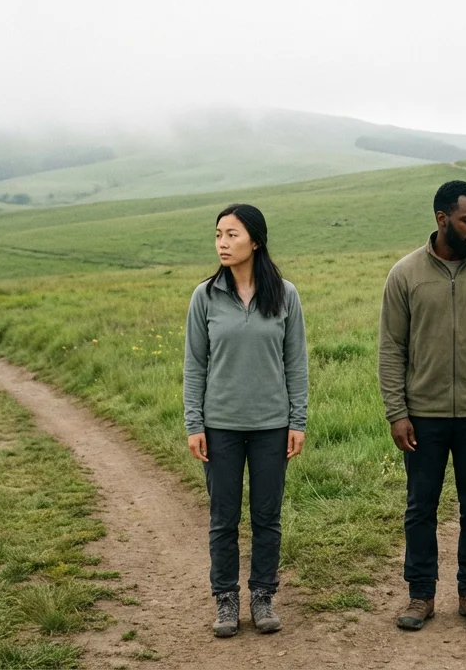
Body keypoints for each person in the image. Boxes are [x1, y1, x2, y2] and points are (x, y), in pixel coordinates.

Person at [378, 179, 466, 631]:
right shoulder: (405, 274)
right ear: (443, 220)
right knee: (420, 507)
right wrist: (397, 413)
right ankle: (420, 596)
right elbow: (391, 349)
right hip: (423, 416)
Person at [183, 203, 309, 638]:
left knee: (267, 516)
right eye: (218, 234)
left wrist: (298, 420)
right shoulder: (205, 296)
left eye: (232, 234)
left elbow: (296, 364)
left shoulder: (285, 294)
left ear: (255, 240)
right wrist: (194, 424)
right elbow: (194, 366)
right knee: (222, 517)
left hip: (272, 425)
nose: (222, 242)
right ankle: (225, 599)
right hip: (220, 427)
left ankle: (262, 596)